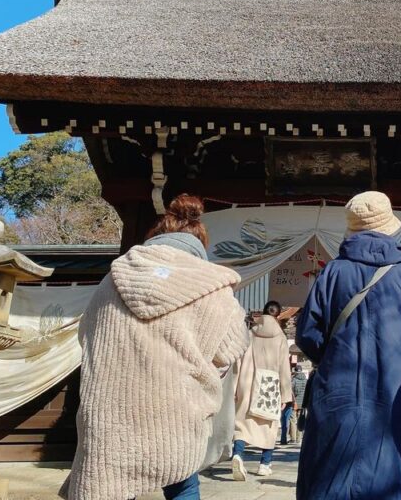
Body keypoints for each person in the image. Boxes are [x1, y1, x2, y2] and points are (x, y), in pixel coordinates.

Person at [65, 195, 249, 500]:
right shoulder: (214, 288)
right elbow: (229, 350)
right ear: (199, 246)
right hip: (178, 409)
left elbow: (86, 334)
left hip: (110, 410)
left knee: (109, 485)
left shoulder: (112, 280)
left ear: (155, 237)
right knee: (182, 484)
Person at [295, 191, 401, 500]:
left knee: (334, 483)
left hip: (338, 397)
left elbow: (307, 334)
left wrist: (334, 355)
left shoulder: (331, 274)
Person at [232, 300, 293, 479]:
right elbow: (284, 367)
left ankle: (238, 454)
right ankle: (265, 464)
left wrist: (234, 387)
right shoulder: (280, 337)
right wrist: (285, 395)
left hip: (247, 382)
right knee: (270, 425)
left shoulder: (249, 334)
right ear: (278, 315)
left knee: (242, 423)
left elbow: (237, 362)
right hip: (270, 384)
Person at [284, 363, 309, 445]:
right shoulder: (306, 380)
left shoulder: (294, 380)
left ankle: (293, 439)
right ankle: (299, 438)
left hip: (294, 403)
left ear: (295, 371)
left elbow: (291, 391)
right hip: (303, 403)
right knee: (300, 419)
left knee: (293, 420)